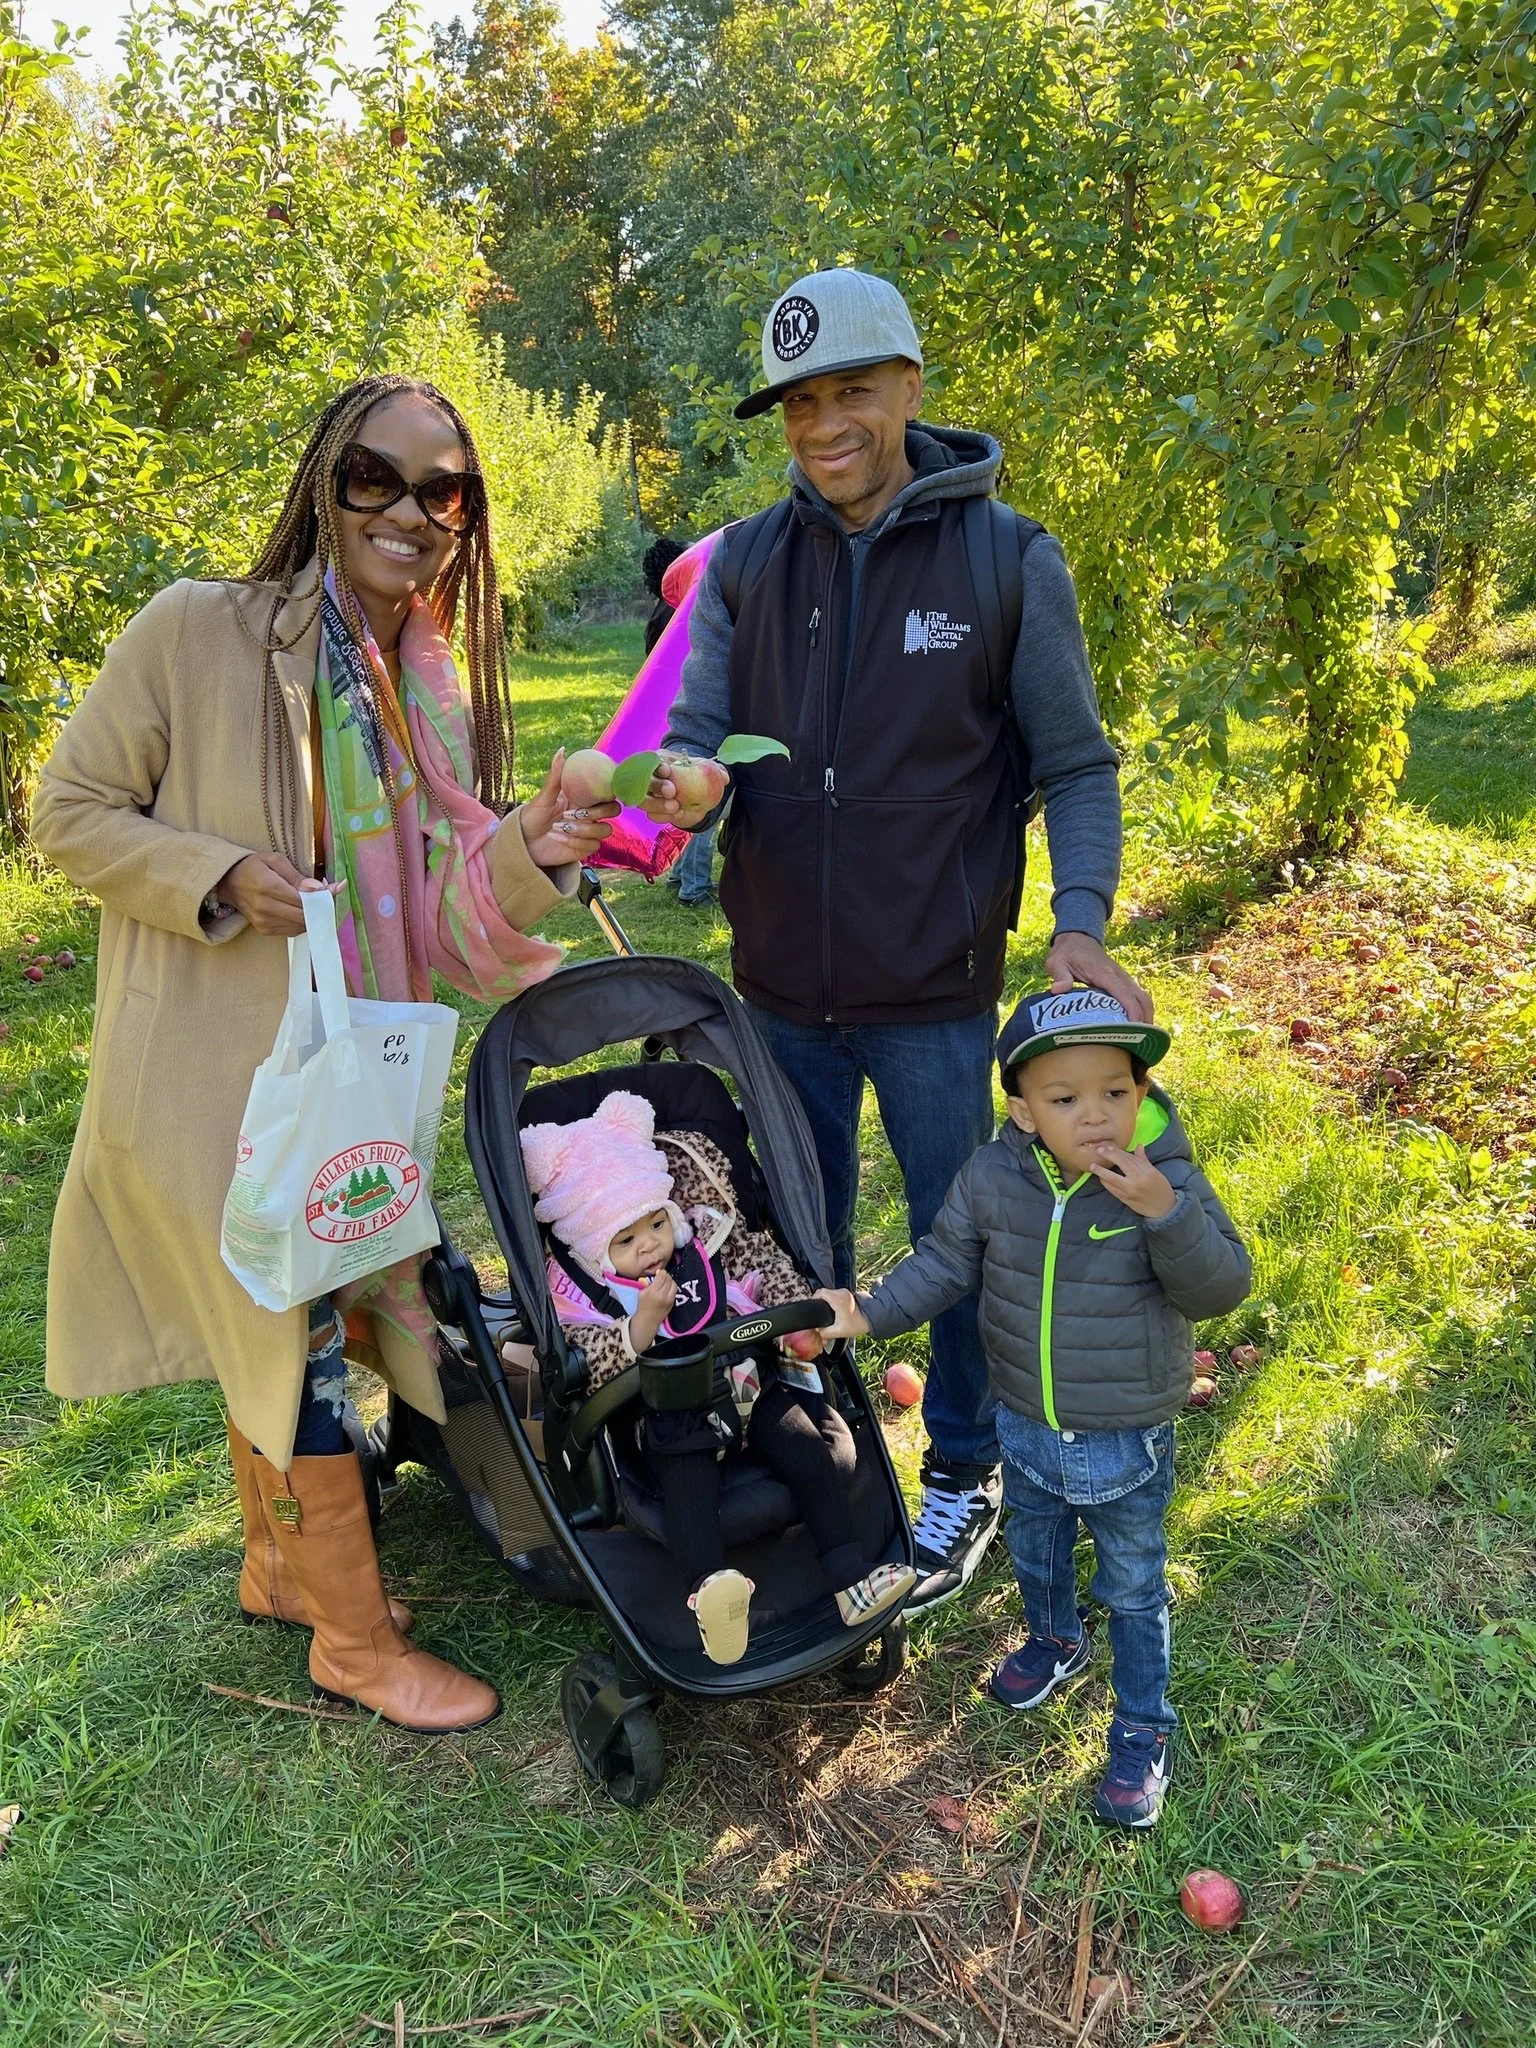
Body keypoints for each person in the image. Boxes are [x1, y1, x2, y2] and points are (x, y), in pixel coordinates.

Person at [32, 373, 615, 1735]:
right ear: (323, 481)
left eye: (444, 490)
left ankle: (278, 1565)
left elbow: (458, 919)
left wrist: (533, 844)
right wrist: (224, 871)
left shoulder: (415, 682)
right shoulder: (201, 632)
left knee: (295, 1319)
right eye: (378, 476)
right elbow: (66, 811)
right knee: (283, 1336)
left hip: (349, 1080)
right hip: (218, 1081)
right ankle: (352, 1642)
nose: (409, 511)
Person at [645, 266, 1152, 1612]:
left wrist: (1081, 924)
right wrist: (692, 788)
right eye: (799, 401)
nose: (824, 424)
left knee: (967, 1239)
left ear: (910, 390)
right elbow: (694, 740)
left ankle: (962, 1476)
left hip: (936, 994)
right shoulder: (745, 563)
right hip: (778, 993)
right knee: (791, 1238)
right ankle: (826, 1449)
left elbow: (1076, 765)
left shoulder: (1007, 560)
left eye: (851, 391)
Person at [816, 987, 1251, 1827]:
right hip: (1023, 1417)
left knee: (1132, 1583)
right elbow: (943, 1264)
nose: (1097, 1117)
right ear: (1021, 1111)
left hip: (1125, 1433)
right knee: (1036, 1547)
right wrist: (865, 1312)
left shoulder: (1169, 1182)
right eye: (1064, 1098)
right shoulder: (991, 1178)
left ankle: (1141, 1727)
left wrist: (1164, 1213)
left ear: (1143, 1093)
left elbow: (1223, 1285)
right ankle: (1054, 1639)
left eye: (1116, 1092)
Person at [518, 1090, 914, 1663]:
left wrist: (792, 1320)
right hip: (664, 1414)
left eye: (655, 1223)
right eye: (626, 1241)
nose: (650, 1244)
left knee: (809, 1448)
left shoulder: (701, 1246)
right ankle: (712, 1594)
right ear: (591, 1249)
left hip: (749, 1383)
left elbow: (756, 1278)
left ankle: (851, 1578)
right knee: (689, 1482)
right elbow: (587, 1360)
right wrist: (643, 1325)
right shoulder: (582, 1294)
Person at [646, 534, 718, 907]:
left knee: (687, 798)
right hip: (692, 714)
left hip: (675, 714)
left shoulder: (660, 613)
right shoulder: (680, 614)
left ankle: (680, 876)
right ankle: (695, 886)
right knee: (698, 799)